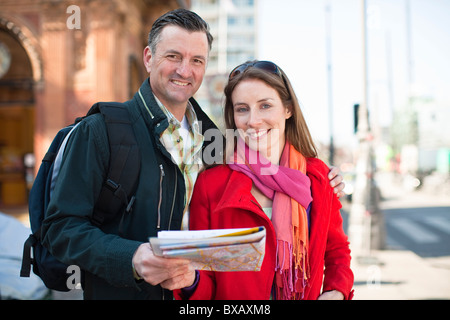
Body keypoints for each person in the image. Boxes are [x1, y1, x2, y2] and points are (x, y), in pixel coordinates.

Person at [41, 9, 345, 300]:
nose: (185, 70)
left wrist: (320, 175)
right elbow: (61, 229)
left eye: (196, 60)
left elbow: (272, 168)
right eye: (173, 56)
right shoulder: (100, 131)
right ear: (149, 58)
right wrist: (132, 257)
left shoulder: (219, 143)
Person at [175, 61, 354, 300]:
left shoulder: (318, 177)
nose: (253, 120)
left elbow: (337, 252)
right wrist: (190, 280)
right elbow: (205, 275)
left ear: (288, 109)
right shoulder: (211, 185)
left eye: (265, 106)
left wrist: (335, 291)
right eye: (242, 109)